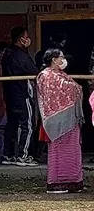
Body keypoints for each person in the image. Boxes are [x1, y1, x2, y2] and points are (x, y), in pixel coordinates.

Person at [36, 49, 85, 194]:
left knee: (73, 150)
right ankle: (57, 183)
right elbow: (57, 92)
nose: (63, 60)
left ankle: (74, 182)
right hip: (56, 120)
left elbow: (72, 87)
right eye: (61, 57)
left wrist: (76, 88)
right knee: (58, 151)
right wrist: (76, 88)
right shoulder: (46, 75)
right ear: (54, 59)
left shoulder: (60, 74)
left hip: (71, 119)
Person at [2, 26, 39, 166]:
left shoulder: (7, 54)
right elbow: (33, 71)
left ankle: (8, 154)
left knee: (12, 124)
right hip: (22, 94)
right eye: (26, 36)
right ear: (21, 39)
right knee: (27, 125)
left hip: (10, 94)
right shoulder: (21, 55)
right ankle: (24, 155)